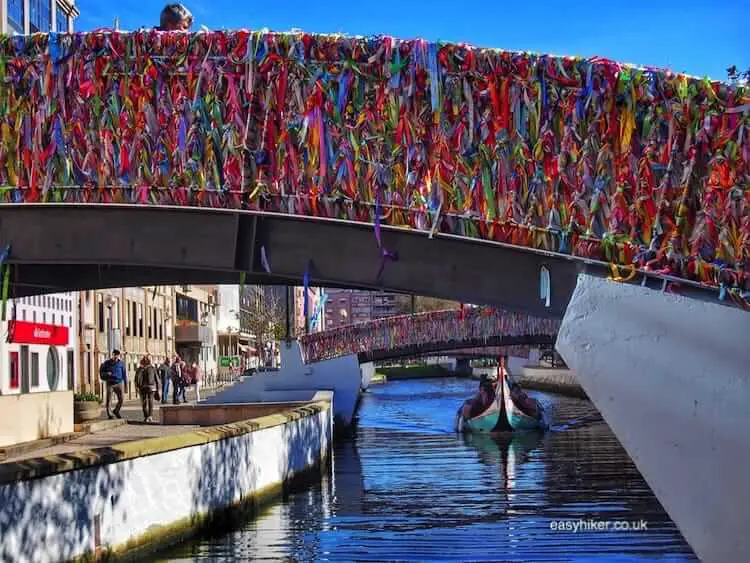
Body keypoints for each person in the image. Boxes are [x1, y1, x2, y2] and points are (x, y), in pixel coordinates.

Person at [100, 350, 127, 419]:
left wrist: (126, 384)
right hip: (110, 384)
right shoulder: (107, 363)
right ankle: (109, 414)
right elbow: (102, 372)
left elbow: (124, 374)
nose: (116, 357)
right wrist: (107, 374)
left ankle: (116, 410)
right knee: (109, 400)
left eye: (117, 355)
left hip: (119, 383)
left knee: (121, 399)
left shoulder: (121, 363)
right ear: (112, 355)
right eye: (115, 355)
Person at [135, 356, 161, 423]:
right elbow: (157, 379)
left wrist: (137, 387)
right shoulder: (152, 368)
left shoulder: (139, 369)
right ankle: (150, 416)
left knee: (144, 402)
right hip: (151, 387)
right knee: (150, 401)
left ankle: (146, 416)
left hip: (142, 387)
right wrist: (158, 388)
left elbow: (136, 379)